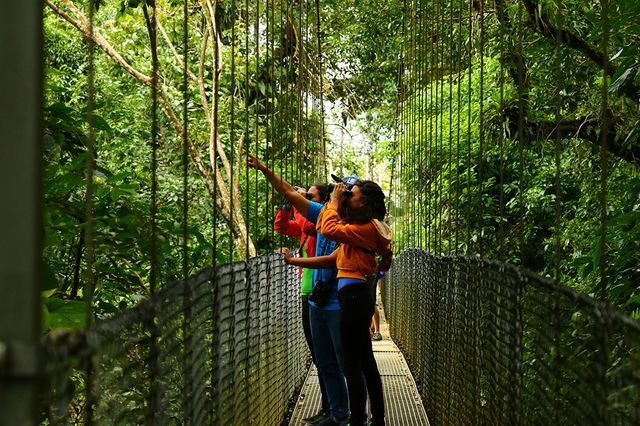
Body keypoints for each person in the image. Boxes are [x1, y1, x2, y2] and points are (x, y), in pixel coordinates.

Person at [248, 154, 349, 426]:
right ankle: (333, 412)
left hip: (337, 299)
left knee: (343, 361)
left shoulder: (346, 225)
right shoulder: (320, 216)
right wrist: (279, 188)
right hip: (314, 295)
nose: (320, 199)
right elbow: (282, 225)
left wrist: (302, 201)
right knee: (323, 358)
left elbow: (316, 232)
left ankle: (346, 415)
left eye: (316, 196)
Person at [285, 179, 391, 426]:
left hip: (353, 297)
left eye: (351, 194)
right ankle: (377, 421)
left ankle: (358, 421)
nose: (346, 196)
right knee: (365, 362)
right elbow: (329, 244)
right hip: (355, 296)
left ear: (363, 201)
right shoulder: (367, 227)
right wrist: (295, 262)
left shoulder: (364, 229)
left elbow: (327, 229)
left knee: (353, 365)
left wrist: (333, 201)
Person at [273, 184, 333, 422]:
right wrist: (287, 203)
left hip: (319, 292)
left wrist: (297, 200)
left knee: (324, 356)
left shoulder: (321, 220)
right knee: (318, 355)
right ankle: (328, 407)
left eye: (310, 197)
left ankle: (334, 409)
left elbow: (309, 224)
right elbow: (281, 226)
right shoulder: (305, 223)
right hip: (307, 290)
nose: (304, 199)